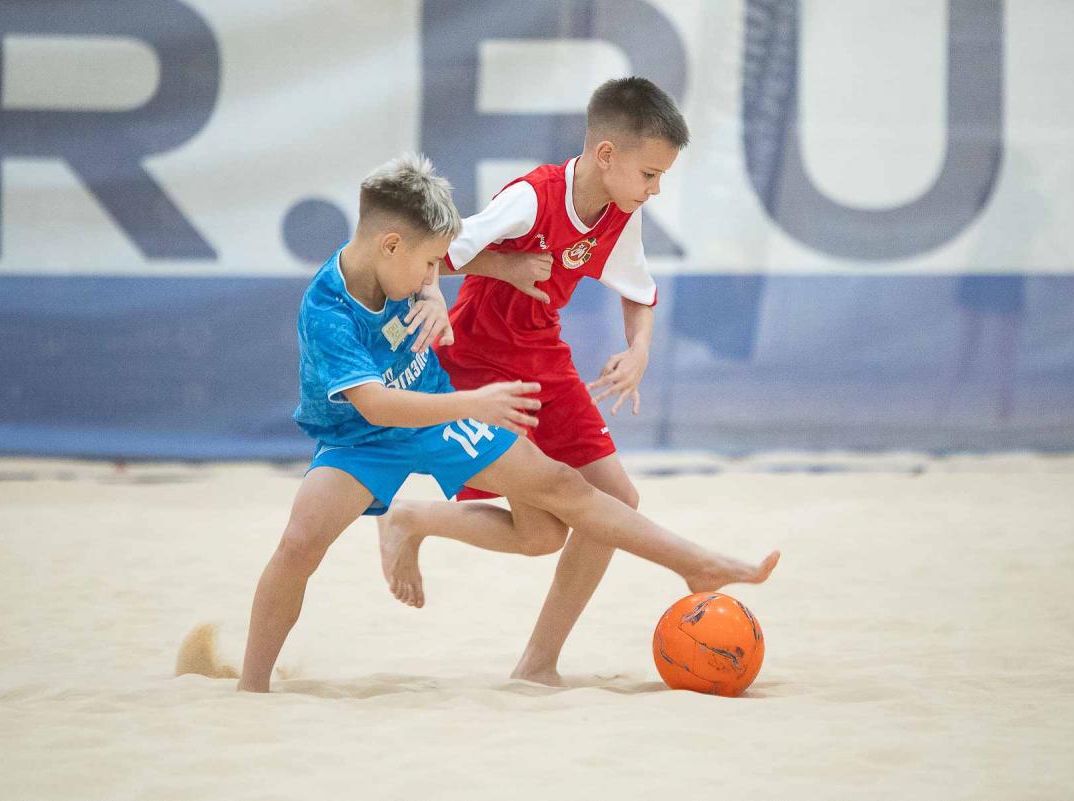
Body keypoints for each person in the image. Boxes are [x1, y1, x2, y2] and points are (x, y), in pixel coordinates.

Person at [237, 153, 779, 693]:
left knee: (554, 513)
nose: (434, 275)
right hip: (361, 438)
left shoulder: (398, 262)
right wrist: (472, 403)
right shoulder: (327, 310)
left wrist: (433, 291)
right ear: (392, 246)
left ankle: (693, 563)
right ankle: (252, 687)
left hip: (433, 407)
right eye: (429, 266)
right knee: (300, 544)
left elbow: (437, 261)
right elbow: (377, 407)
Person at [375, 77, 693, 686]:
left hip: (544, 356)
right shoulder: (531, 196)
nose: (655, 189)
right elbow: (436, 251)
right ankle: (408, 519)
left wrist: (639, 350)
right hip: (479, 363)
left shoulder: (621, 213)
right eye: (651, 174)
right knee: (549, 530)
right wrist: (502, 265)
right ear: (607, 155)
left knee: (608, 506)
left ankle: (535, 660)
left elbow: (638, 290)